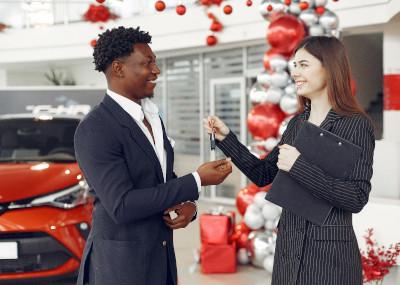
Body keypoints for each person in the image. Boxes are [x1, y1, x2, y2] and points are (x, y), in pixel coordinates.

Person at [204, 36, 375, 285]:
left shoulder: (356, 125)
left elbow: (356, 197)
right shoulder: (297, 124)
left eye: (304, 65)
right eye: (294, 65)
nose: (295, 72)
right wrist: (226, 138)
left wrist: (299, 166)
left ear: (329, 67)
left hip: (330, 257)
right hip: (289, 250)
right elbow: (263, 173)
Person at [74, 26, 232, 285]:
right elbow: (122, 205)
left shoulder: (152, 117)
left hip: (161, 260)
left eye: (155, 63)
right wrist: (196, 181)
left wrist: (189, 208)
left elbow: (163, 180)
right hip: (120, 269)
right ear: (118, 69)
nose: (156, 71)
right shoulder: (95, 128)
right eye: (147, 64)